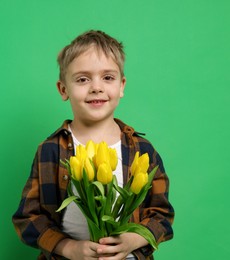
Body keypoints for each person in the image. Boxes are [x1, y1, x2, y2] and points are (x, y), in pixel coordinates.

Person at [12, 30, 174, 260]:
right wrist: (67, 247)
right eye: (82, 79)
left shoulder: (142, 150)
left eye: (107, 77)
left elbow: (163, 216)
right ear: (63, 89)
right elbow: (27, 218)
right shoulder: (50, 150)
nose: (96, 87)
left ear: (121, 86)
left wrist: (132, 240)